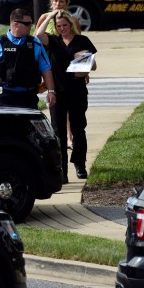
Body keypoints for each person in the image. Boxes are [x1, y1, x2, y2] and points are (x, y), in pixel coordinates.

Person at [34, 10, 97, 182]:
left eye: (65, 25)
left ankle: (80, 165)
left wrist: (86, 67)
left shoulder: (82, 41)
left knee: (78, 129)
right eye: (59, 26)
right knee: (58, 133)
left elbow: (92, 63)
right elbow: (38, 34)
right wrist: (50, 15)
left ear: (71, 24)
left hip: (77, 91)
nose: (62, 28)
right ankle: (63, 171)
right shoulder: (53, 41)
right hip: (57, 92)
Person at [0, 8, 56, 110]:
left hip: (28, 96)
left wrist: (51, 91)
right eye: (27, 24)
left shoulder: (35, 43)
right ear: (16, 24)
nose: (31, 26)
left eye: (31, 23)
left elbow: (46, 69)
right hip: (4, 97)